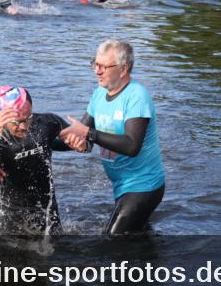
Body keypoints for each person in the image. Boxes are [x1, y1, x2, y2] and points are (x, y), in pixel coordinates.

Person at [60, 39, 165, 235]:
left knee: (111, 243)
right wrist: (75, 141)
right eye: (95, 64)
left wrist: (88, 134)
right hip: (121, 185)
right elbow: (85, 136)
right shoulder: (99, 94)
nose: (97, 71)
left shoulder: (137, 96)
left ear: (123, 69)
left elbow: (132, 146)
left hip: (143, 185)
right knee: (138, 238)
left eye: (104, 67)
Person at [0, 87, 78, 234]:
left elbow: (81, 143)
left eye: (27, 118)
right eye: (16, 122)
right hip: (11, 218)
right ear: (3, 117)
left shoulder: (47, 123)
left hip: (48, 213)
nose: (24, 126)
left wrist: (80, 142)